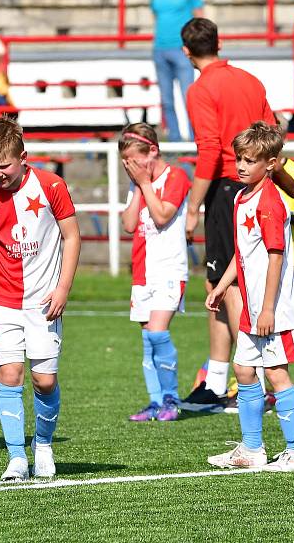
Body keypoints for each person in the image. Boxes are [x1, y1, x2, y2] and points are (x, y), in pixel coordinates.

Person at [180, 17, 294, 411]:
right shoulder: (249, 80)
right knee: (219, 281)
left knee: (230, 283)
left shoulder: (201, 88)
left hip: (228, 187)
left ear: (186, 51)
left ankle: (247, 380)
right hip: (254, 184)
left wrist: (193, 206)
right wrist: (284, 180)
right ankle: (215, 382)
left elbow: (211, 150)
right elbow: (274, 131)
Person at [0, 116, 80, 481]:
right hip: (2, 300)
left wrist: (63, 288)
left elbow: (72, 237)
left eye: (4, 165)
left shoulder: (51, 186)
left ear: (23, 157)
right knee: (10, 374)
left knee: (44, 381)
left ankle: (43, 445)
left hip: (43, 300)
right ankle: (16, 458)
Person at [206, 121, 294, 472]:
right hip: (252, 307)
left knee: (277, 374)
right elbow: (243, 252)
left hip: (274, 307)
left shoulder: (269, 201)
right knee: (243, 368)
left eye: (250, 160)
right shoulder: (240, 197)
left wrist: (267, 309)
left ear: (270, 163)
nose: (241, 165)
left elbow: (275, 256)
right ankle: (252, 449)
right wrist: (222, 286)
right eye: (239, 158)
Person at [119, 123, 191, 423]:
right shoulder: (139, 183)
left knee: (158, 332)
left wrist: (145, 183)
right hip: (143, 272)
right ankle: (155, 401)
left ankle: (171, 399)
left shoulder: (176, 176)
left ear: (154, 151)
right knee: (148, 337)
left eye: (135, 161)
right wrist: (138, 185)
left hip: (169, 268)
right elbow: (129, 224)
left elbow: (162, 216)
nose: (130, 167)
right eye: (126, 163)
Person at [150, 0, 204, 141]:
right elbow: (156, 17)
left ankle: (195, 141)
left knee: (189, 98)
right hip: (160, 49)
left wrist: (196, 45)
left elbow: (199, 17)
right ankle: (175, 142)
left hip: (183, 49)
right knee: (166, 100)